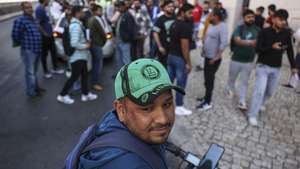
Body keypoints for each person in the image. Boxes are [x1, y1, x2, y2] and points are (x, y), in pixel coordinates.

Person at [77, 58, 184, 169]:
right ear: (121, 110)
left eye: (167, 104)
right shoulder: (126, 164)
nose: (163, 119)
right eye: (146, 109)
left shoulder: (115, 123)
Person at [247, 9, 298, 126]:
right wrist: (271, 47)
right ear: (274, 19)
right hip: (263, 66)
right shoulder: (264, 32)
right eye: (281, 20)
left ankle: (260, 104)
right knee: (259, 91)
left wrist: (293, 66)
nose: (283, 22)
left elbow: (290, 50)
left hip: (276, 68)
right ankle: (252, 115)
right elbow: (258, 49)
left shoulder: (286, 33)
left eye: (284, 20)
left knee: (269, 92)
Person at [57, 6, 97, 104]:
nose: (83, 14)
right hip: (77, 56)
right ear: (78, 13)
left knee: (84, 75)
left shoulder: (77, 24)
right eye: (82, 12)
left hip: (81, 56)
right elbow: (74, 43)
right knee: (74, 77)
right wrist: (86, 46)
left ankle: (85, 94)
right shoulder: (75, 26)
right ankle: (62, 95)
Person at [226, 9, 260, 111]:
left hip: (249, 61)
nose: (251, 19)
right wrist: (251, 42)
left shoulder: (258, 30)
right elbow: (237, 41)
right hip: (236, 59)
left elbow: (258, 43)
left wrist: (245, 42)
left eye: (252, 17)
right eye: (248, 17)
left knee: (244, 82)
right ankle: (230, 89)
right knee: (232, 78)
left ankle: (242, 101)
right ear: (244, 18)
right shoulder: (239, 28)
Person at [196, 9, 228, 111]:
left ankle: (208, 102)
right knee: (206, 79)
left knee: (209, 80)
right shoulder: (211, 24)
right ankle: (206, 97)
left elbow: (224, 43)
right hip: (207, 56)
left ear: (216, 17)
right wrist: (203, 50)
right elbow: (207, 37)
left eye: (211, 16)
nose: (209, 17)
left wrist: (216, 57)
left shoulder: (222, 27)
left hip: (213, 59)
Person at [12, 1, 44, 97]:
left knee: (34, 71)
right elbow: (15, 35)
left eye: (30, 7)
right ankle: (31, 92)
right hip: (28, 50)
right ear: (23, 9)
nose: (30, 9)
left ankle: (36, 88)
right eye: (27, 7)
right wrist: (24, 43)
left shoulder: (33, 19)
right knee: (30, 73)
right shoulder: (20, 20)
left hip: (37, 49)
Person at [168, 3, 194, 116]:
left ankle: (165, 104)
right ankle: (179, 106)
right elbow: (185, 46)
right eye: (189, 13)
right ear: (182, 13)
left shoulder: (174, 23)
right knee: (180, 84)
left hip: (171, 56)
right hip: (179, 59)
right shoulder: (185, 26)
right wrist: (188, 62)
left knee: (168, 83)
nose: (192, 15)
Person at [35, 0, 64, 78]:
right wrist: (45, 34)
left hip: (50, 35)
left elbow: (47, 21)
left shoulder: (45, 8)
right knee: (44, 54)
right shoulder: (39, 9)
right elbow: (38, 24)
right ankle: (46, 72)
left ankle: (55, 68)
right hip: (45, 37)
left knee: (53, 51)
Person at [88, 4, 107, 91]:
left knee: (96, 64)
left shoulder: (93, 19)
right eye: (100, 11)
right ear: (95, 11)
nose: (102, 12)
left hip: (95, 44)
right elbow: (103, 33)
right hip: (96, 45)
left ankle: (94, 82)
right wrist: (103, 42)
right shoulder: (95, 20)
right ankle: (94, 83)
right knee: (97, 65)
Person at [153, 0, 176, 67]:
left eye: (172, 6)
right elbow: (155, 33)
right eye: (169, 6)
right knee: (164, 67)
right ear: (164, 8)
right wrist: (160, 46)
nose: (171, 8)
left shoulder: (175, 17)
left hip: (174, 49)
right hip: (164, 48)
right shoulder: (160, 19)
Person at [115, 1, 136, 70]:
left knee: (126, 59)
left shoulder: (128, 15)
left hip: (124, 41)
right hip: (118, 40)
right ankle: (120, 75)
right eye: (117, 7)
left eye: (119, 7)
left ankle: (127, 75)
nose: (118, 8)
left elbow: (131, 29)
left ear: (124, 6)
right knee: (119, 59)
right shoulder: (121, 15)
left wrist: (127, 39)